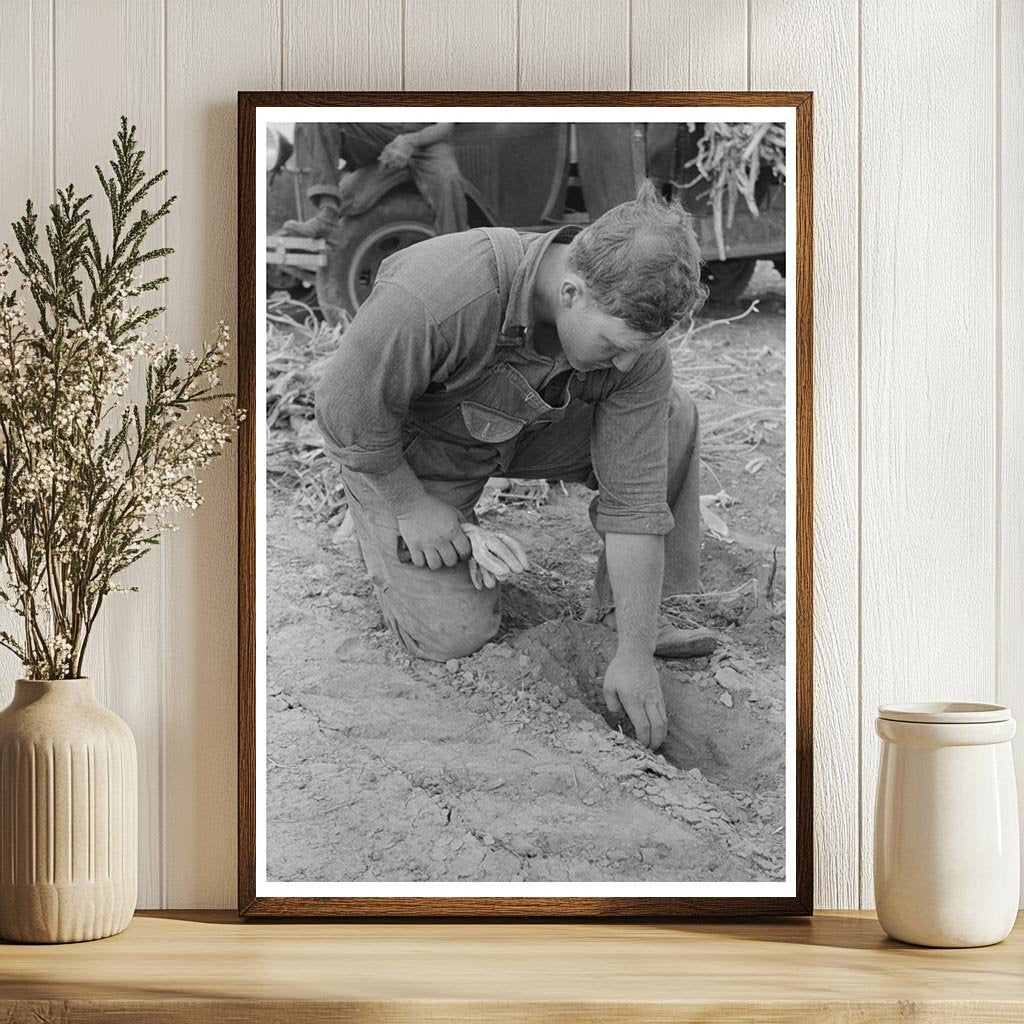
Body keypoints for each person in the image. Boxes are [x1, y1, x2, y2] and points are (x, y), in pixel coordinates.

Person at [315, 180, 711, 750]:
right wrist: (411, 504)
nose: (625, 363)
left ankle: (624, 613)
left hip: (531, 430)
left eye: (638, 350)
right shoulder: (442, 291)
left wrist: (634, 651)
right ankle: (381, 516)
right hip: (423, 447)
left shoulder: (633, 349)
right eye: (613, 345)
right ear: (571, 291)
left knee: (672, 414)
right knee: (453, 635)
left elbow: (634, 502)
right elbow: (342, 408)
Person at [283, 122, 467, 238]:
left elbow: (446, 125)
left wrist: (410, 141)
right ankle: (327, 212)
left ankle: (453, 252)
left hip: (428, 137)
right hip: (380, 131)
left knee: (449, 179)